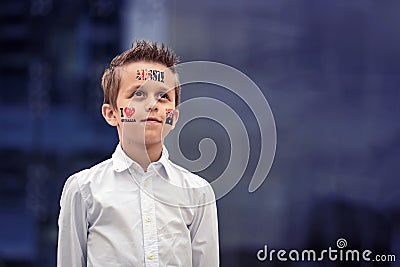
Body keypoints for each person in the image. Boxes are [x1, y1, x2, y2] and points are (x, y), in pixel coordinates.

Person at [57, 40, 219, 267]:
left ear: (174, 116)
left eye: (163, 96)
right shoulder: (83, 190)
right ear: (111, 113)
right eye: (138, 94)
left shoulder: (198, 193)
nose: (153, 104)